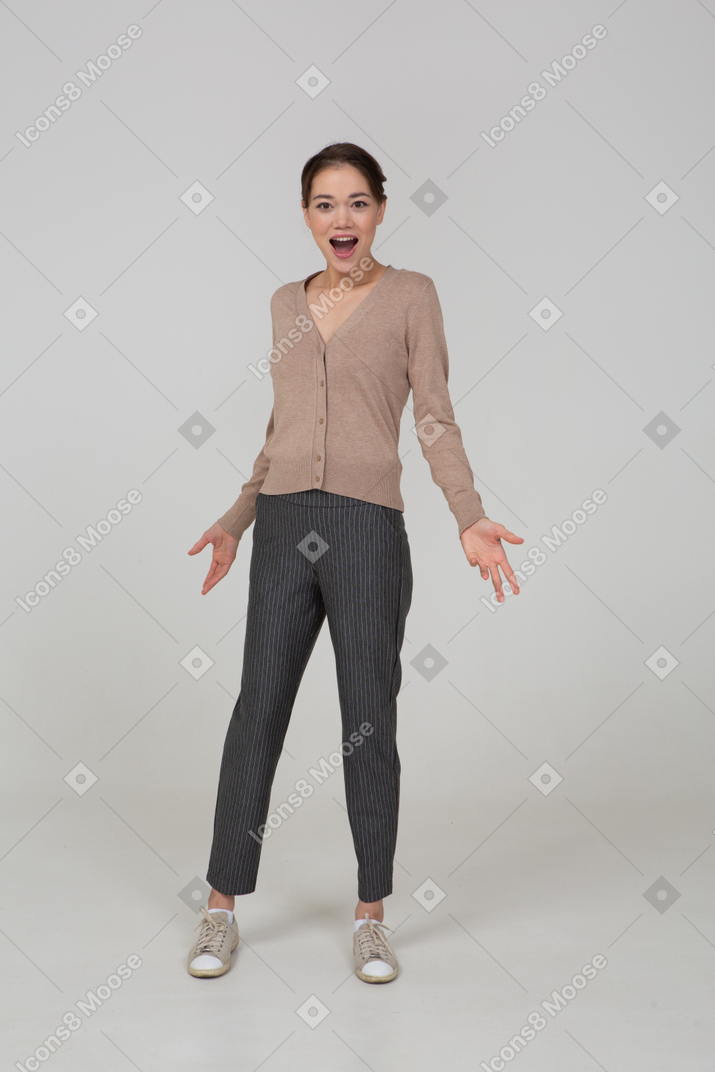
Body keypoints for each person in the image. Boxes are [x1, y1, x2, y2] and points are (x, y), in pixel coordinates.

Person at [185, 142, 523, 983]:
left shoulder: (411, 296)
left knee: (365, 719)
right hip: (283, 523)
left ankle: (371, 915)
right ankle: (221, 903)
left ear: (380, 209)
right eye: (325, 204)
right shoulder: (282, 303)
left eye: (357, 202)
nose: (342, 219)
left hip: (368, 530)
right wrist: (236, 518)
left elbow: (434, 419)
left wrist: (468, 516)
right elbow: (279, 432)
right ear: (306, 215)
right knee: (256, 708)